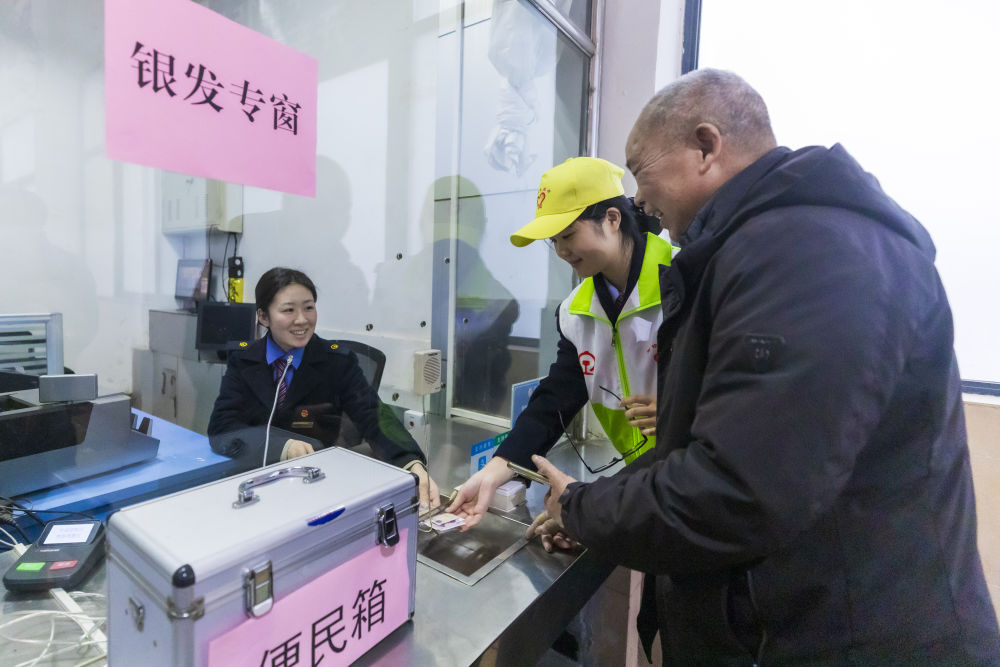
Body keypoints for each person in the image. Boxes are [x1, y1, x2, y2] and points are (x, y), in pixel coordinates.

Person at [527, 69, 1000, 664]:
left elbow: (736, 488)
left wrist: (582, 509)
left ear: (706, 146)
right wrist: (592, 503)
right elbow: (706, 443)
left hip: (843, 638)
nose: (639, 198)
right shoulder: (753, 251)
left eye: (641, 171)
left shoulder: (809, 252)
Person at [446, 157, 670, 529]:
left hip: (693, 473)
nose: (562, 251)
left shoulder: (681, 280)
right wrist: (497, 468)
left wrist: (680, 413)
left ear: (612, 219)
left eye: (568, 235)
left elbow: (730, 389)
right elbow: (554, 402)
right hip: (645, 484)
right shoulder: (576, 312)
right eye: (554, 242)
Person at [207, 267, 441, 511]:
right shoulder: (244, 360)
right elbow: (223, 427)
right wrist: (282, 447)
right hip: (256, 483)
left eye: (309, 307)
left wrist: (411, 462)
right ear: (264, 317)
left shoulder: (337, 363)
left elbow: (374, 416)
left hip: (317, 486)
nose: (302, 319)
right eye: (288, 310)